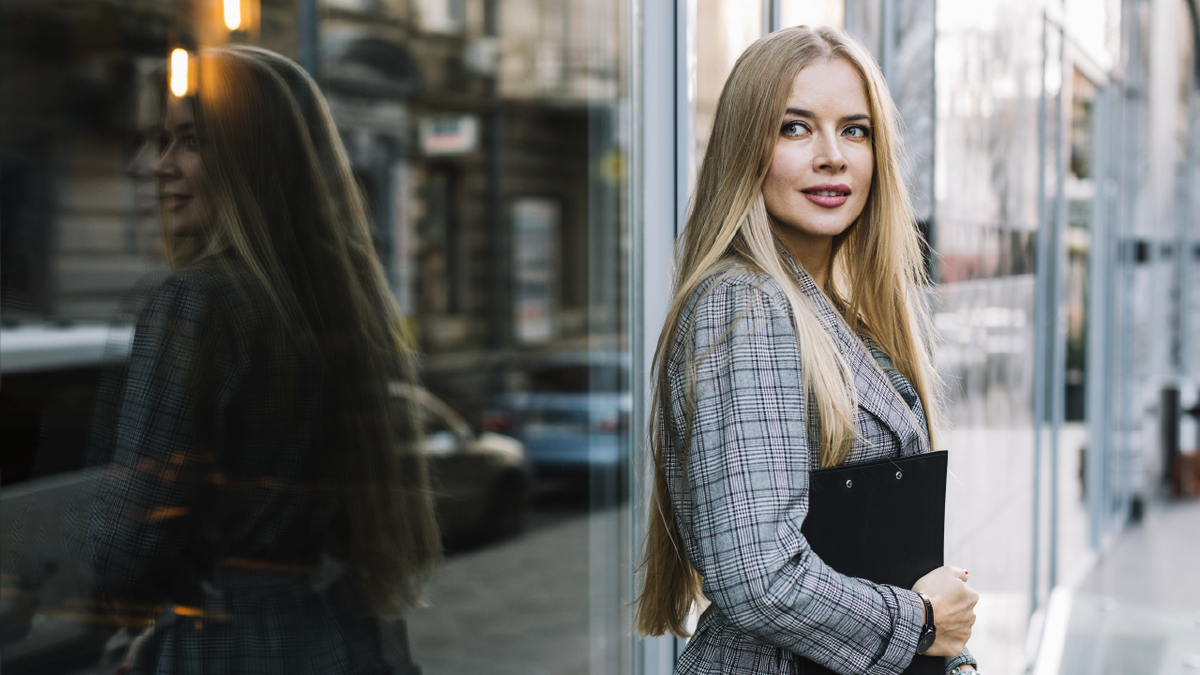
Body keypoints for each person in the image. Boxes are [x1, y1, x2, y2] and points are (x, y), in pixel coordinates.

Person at [634, 26, 980, 675]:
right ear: (745, 148)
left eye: (855, 130)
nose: (832, 156)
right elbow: (758, 575)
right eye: (795, 128)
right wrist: (922, 622)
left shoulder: (832, 313)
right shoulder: (745, 304)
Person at [85, 45, 440, 674]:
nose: (157, 166)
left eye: (190, 141)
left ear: (255, 162)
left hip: (230, 644)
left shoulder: (196, 302)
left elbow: (131, 544)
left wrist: (152, 618)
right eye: (161, 141)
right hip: (341, 631)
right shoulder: (343, 303)